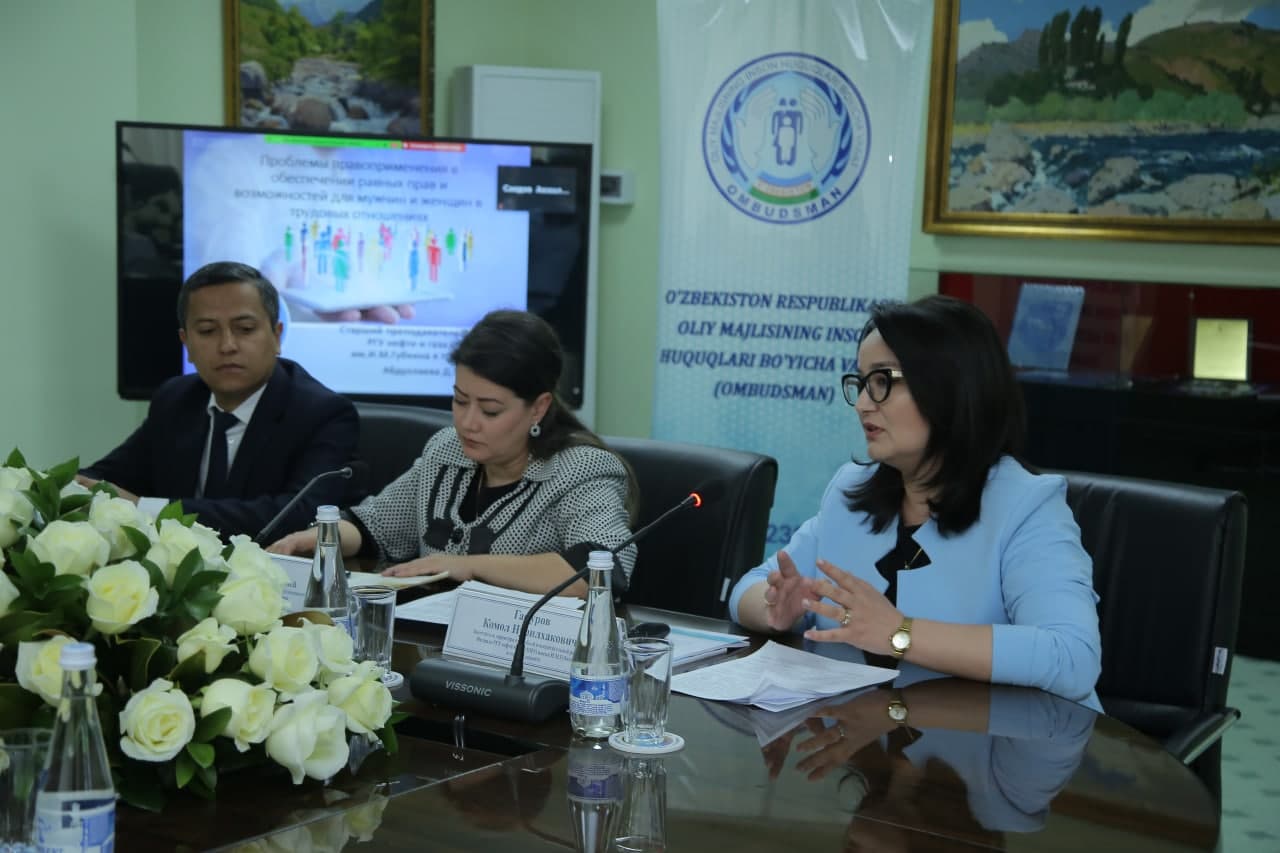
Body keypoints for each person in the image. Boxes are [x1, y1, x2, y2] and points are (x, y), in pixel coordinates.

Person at [729, 295, 1102, 706]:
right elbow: (747, 588)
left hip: (1000, 755)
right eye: (862, 383)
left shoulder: (1027, 507)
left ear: (949, 387)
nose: (865, 403)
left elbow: (1072, 657)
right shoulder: (850, 493)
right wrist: (777, 611)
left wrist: (899, 633)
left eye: (883, 381)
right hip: (862, 751)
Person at [268, 309, 637, 596]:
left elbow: (602, 570)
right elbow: (376, 526)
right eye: (460, 401)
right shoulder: (448, 451)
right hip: (434, 643)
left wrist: (469, 565)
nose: (468, 422)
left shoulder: (581, 469)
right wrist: (322, 537)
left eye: (490, 410)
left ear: (538, 408)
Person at [79, 261, 358, 538]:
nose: (227, 346)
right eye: (208, 331)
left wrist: (147, 509)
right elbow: (108, 477)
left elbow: (300, 514)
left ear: (277, 335)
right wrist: (65, 487)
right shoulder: (176, 400)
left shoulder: (322, 413)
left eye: (245, 329)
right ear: (186, 343)